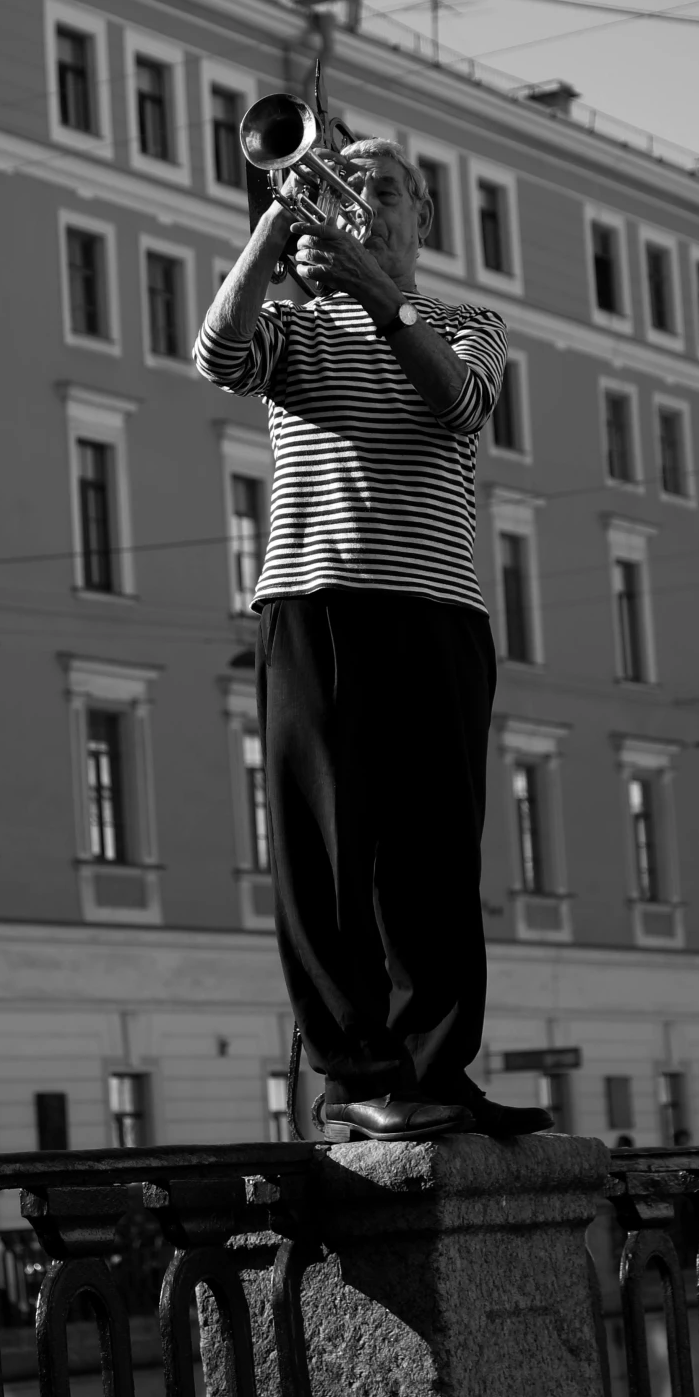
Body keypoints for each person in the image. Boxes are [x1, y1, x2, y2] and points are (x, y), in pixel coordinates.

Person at [194, 136, 549, 1142]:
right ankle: (356, 1074)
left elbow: (458, 401)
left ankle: (437, 1073)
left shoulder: (464, 321)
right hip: (317, 603)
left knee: (436, 855)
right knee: (326, 850)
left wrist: (376, 295)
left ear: (420, 216)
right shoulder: (293, 326)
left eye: (383, 189)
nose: (364, 205)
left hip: (440, 612)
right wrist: (274, 220)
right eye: (341, 191)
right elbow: (215, 354)